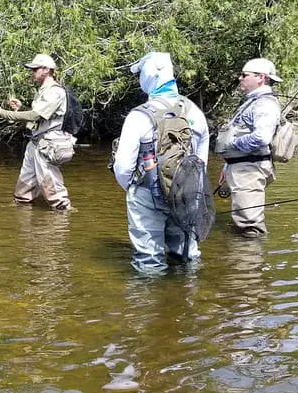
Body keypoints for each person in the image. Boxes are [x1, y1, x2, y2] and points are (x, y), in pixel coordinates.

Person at [112, 52, 209, 272]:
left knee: (148, 260)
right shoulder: (195, 112)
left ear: (148, 76)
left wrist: (135, 190)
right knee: (187, 255)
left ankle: (148, 303)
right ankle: (189, 298)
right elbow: (201, 162)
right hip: (186, 193)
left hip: (147, 194)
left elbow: (123, 167)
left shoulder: (139, 116)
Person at [0, 53, 74, 210]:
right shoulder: (43, 91)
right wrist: (21, 109)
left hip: (47, 145)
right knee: (24, 187)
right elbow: (38, 118)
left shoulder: (55, 92)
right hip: (35, 144)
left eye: (35, 69)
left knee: (52, 187)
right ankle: (21, 208)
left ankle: (63, 217)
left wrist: (2, 112)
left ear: (46, 70)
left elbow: (35, 115)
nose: (32, 72)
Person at [215, 58, 282, 238]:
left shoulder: (264, 104)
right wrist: (228, 164)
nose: (240, 78)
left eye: (244, 75)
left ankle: (248, 263)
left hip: (249, 170)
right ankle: (242, 261)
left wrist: (231, 145)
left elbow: (262, 137)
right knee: (243, 221)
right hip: (243, 167)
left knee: (250, 226)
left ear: (261, 77)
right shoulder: (254, 102)